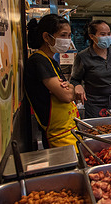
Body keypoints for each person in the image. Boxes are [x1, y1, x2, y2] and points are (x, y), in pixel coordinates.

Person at [24, 14, 79, 149]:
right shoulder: (38, 61)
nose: (67, 40)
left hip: (69, 130)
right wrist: (71, 90)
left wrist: (70, 87)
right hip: (58, 136)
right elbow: (66, 95)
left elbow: (68, 90)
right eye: (63, 35)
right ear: (46, 37)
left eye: (69, 35)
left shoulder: (51, 61)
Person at [70, 20, 111, 118]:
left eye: (109, 34)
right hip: (95, 105)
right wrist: (77, 85)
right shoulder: (83, 56)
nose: (107, 37)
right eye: (102, 34)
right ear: (92, 36)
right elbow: (74, 79)